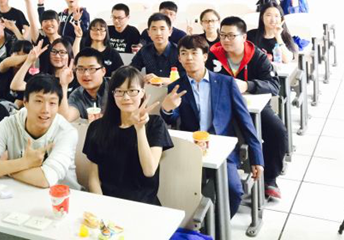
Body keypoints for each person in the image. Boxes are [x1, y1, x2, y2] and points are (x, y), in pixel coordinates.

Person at [161, 35, 264, 217]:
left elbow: (246, 122)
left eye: (194, 53)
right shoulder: (176, 86)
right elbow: (172, 119)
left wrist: (257, 158)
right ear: (179, 58)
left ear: (205, 56)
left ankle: (217, 226)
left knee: (234, 191)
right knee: (176, 192)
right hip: (190, 148)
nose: (189, 58)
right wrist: (166, 109)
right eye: (184, 53)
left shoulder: (226, 83)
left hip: (222, 149)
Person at [206, 16, 287, 202]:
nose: (225, 40)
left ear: (243, 37)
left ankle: (270, 179)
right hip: (222, 107)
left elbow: (274, 85)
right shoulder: (213, 55)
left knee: (277, 131)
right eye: (222, 35)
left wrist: (248, 85)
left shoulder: (257, 56)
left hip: (253, 108)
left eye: (231, 35)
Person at [0, 75, 79, 189]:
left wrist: (5, 169)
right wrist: (25, 162)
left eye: (52, 103)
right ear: (25, 101)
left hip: (67, 196)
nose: (46, 110)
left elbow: (45, 179)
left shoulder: (67, 133)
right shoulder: (10, 124)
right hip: (21, 192)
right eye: (39, 101)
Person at [83, 66, 172, 204]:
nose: (126, 97)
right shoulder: (97, 127)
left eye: (132, 91)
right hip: (108, 203)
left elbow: (149, 170)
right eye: (119, 91)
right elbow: (93, 178)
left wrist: (140, 129)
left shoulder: (155, 124)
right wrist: (102, 205)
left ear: (142, 93)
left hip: (143, 205)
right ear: (113, 94)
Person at [10, 38, 77, 99]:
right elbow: (15, 86)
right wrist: (29, 61)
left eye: (62, 52)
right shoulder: (42, 78)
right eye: (53, 51)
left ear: (69, 55)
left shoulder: (75, 78)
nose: (57, 56)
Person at [131, 13, 183, 84]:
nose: (158, 33)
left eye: (162, 29)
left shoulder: (179, 52)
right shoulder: (145, 50)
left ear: (170, 31)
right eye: (154, 29)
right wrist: (142, 78)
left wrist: (159, 80)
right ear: (149, 33)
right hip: (151, 89)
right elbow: (132, 70)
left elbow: (186, 79)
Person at [59, 48, 109, 122]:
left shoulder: (116, 88)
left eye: (91, 69)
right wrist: (63, 85)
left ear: (103, 71)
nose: (86, 74)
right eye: (80, 69)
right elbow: (66, 118)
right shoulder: (77, 95)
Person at [23, 0, 61, 72]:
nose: (48, 23)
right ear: (41, 25)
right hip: (44, 78)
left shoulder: (67, 40)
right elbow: (32, 21)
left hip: (64, 78)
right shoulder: (40, 41)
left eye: (52, 20)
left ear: (58, 23)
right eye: (45, 21)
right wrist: (28, 1)